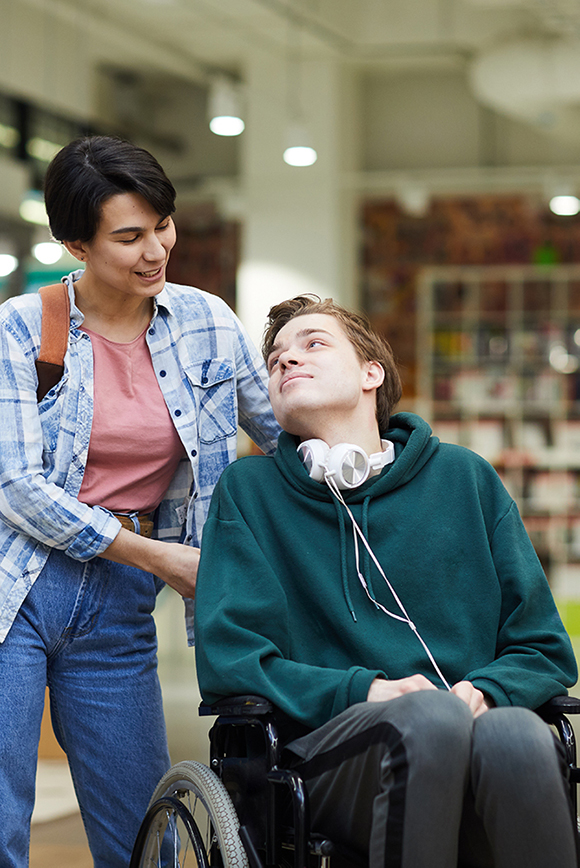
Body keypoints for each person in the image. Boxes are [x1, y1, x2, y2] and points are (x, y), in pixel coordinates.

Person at [194, 294, 579, 868]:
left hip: (470, 728)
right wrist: (368, 691)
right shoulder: (248, 493)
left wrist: (483, 692)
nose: (286, 361)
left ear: (372, 372)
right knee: (430, 720)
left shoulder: (464, 478)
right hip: (327, 760)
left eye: (312, 344)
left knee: (519, 736)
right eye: (275, 359)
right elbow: (232, 657)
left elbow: (542, 648)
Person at [0, 135, 279, 868]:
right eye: (129, 236)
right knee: (2, 819)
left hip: (120, 602)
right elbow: (14, 485)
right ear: (75, 245)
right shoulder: (21, 328)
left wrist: (379, 449)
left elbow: (284, 433)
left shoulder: (207, 322)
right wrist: (157, 554)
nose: (156, 249)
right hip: (14, 588)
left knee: (143, 828)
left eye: (163, 225)